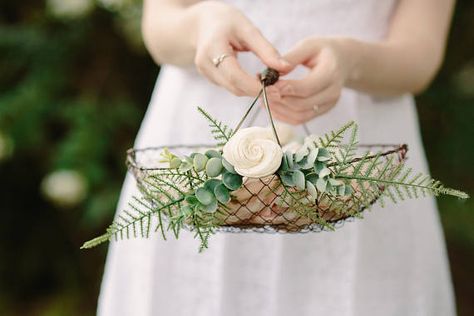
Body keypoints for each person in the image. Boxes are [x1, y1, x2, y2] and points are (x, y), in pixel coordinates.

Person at [98, 0, 456, 315]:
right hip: (203, 138)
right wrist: (202, 24)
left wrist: (351, 61)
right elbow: (160, 25)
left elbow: (419, 54)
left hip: (355, 152)